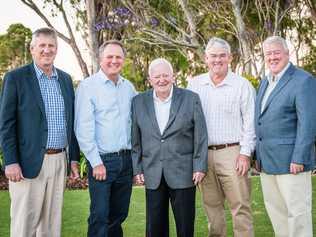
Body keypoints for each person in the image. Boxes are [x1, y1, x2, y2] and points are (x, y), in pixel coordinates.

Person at [0, 27, 80, 237]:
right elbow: (6, 123)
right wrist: (10, 161)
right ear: (32, 49)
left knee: (51, 225)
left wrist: (73, 159)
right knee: (24, 223)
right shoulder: (15, 78)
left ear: (56, 49)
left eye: (51, 45)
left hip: (59, 160)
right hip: (27, 162)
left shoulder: (65, 79)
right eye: (42, 45)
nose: (46, 50)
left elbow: (70, 122)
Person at [132, 58, 208, 237]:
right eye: (156, 76)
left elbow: (201, 136)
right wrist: (137, 168)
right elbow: (135, 139)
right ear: (150, 79)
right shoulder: (138, 102)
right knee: (155, 228)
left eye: (165, 75)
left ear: (173, 77)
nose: (161, 80)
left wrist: (199, 165)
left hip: (184, 172)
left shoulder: (191, 99)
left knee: (185, 226)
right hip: (152, 172)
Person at [187, 37, 256, 237]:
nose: (217, 60)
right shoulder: (195, 84)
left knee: (240, 206)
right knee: (212, 208)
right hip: (204, 155)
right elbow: (188, 123)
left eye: (222, 55)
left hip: (233, 153)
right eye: (213, 56)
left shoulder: (241, 85)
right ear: (206, 59)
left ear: (230, 58)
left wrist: (245, 154)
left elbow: (249, 123)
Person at [255, 36, 316, 237]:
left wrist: (300, 157)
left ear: (287, 53)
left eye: (276, 52)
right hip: (268, 161)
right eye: (268, 54)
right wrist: (258, 156)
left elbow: (308, 124)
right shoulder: (265, 81)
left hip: (292, 162)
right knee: (276, 212)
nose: (272, 57)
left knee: (298, 214)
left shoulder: (303, 80)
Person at [75, 40, 137, 237]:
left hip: (126, 161)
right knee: (100, 215)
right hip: (103, 161)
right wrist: (95, 162)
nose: (114, 60)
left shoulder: (129, 88)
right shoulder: (88, 86)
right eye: (109, 57)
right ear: (100, 59)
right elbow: (83, 128)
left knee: (119, 215)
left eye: (118, 57)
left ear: (124, 60)